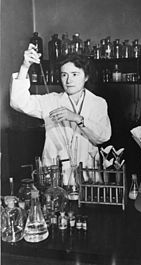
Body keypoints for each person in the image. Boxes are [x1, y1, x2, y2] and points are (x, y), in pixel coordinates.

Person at [10, 43, 112, 184]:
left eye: (75, 74)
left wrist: (76, 118)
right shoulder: (51, 101)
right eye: (64, 75)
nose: (69, 80)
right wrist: (24, 67)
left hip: (88, 173)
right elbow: (18, 102)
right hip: (55, 172)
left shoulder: (98, 103)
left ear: (86, 77)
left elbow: (103, 137)